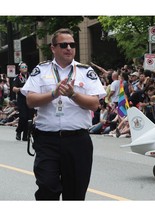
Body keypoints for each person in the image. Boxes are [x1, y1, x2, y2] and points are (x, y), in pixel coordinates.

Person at [21, 28, 106, 200]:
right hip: (47, 140)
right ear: (53, 48)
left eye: (72, 45)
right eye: (63, 45)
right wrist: (54, 93)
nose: (69, 48)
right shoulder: (41, 70)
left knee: (75, 193)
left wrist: (72, 94)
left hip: (77, 141)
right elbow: (30, 100)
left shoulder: (85, 72)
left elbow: (95, 104)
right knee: (46, 186)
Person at [12, 62, 34, 141]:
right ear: (20, 69)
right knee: (23, 117)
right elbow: (14, 88)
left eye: (26, 66)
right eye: (23, 67)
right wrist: (19, 89)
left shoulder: (31, 76)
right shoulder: (18, 77)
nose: (25, 68)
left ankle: (26, 135)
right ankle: (19, 131)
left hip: (30, 98)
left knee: (29, 118)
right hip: (22, 99)